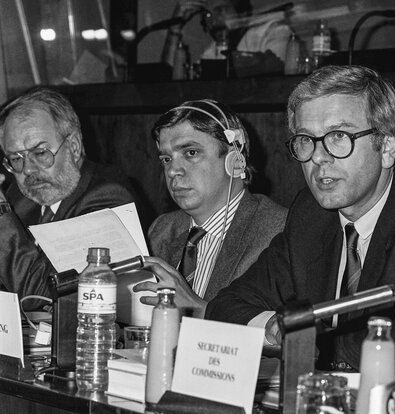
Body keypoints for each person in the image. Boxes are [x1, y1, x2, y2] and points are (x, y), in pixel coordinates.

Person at [205, 64, 395, 392]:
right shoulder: (311, 213)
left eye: (339, 136)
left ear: (389, 145)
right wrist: (273, 328)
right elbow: (228, 305)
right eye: (306, 139)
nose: (319, 158)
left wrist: (302, 337)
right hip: (343, 403)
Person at [133, 98, 287, 317]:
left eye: (191, 153)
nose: (172, 170)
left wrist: (196, 307)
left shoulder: (278, 231)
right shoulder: (162, 229)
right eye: (166, 158)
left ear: (234, 160)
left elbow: (277, 336)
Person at [0, 87, 134, 302]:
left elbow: (44, 299)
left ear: (74, 145)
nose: (28, 170)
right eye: (16, 158)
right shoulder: (19, 195)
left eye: (40, 153)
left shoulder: (107, 198)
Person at [161, 0, 291, 69]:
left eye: (220, 10)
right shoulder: (214, 50)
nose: (213, 20)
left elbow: (277, 73)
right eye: (207, 14)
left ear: (241, 11)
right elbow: (168, 76)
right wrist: (174, 29)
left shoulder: (273, 30)